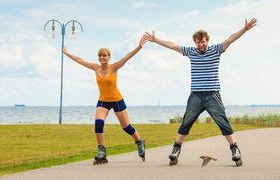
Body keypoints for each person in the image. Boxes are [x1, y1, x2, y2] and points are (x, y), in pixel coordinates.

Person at [145, 18, 257, 166]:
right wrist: (155, 40)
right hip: (196, 95)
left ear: (207, 40)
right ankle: (176, 150)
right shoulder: (191, 52)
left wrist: (244, 29)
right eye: (198, 42)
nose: (201, 44)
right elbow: (173, 46)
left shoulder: (216, 50)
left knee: (223, 122)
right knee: (186, 122)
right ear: (195, 43)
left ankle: (235, 149)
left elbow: (230, 39)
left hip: (212, 95)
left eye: (203, 41)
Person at [62, 35, 147, 164]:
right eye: (100, 56)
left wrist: (139, 47)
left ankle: (139, 142)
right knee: (98, 123)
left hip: (117, 101)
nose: (102, 58)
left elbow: (127, 57)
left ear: (109, 57)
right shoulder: (96, 68)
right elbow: (80, 60)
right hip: (103, 101)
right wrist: (67, 54)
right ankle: (102, 150)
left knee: (126, 127)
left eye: (104, 56)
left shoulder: (114, 67)